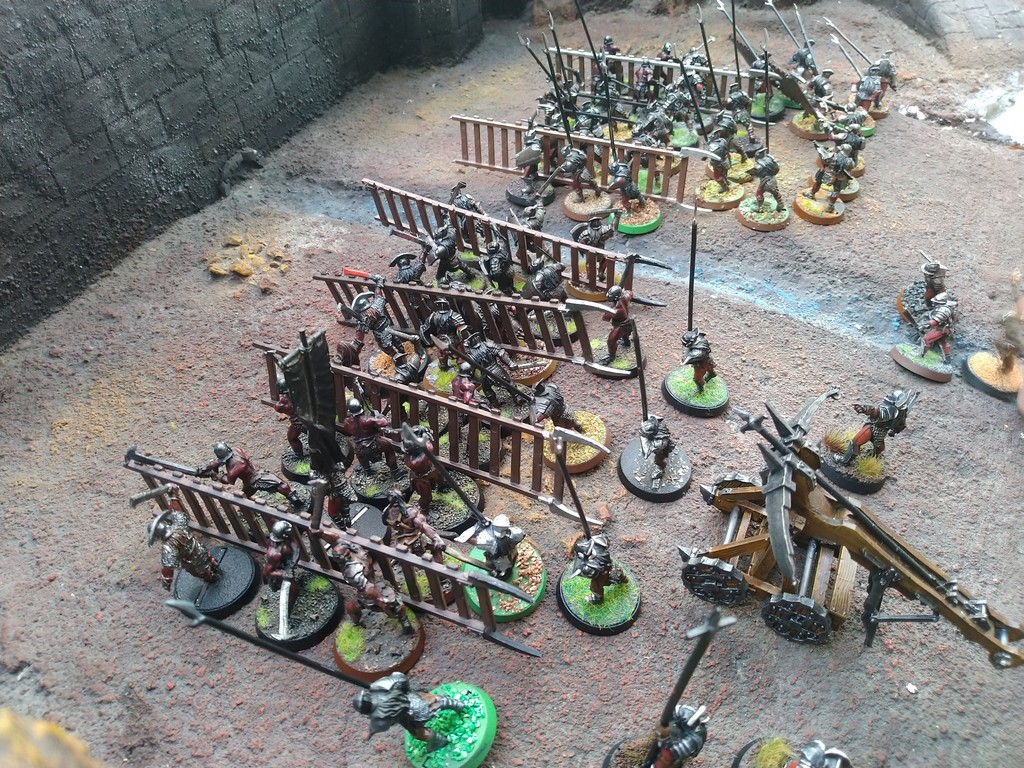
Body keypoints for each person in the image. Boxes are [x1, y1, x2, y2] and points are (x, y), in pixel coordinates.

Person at [311, 526, 412, 633]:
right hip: (369, 594)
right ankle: (356, 623)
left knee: (396, 605)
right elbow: (368, 589)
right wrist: (379, 598)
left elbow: (335, 539)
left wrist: (321, 533)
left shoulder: (352, 550)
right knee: (352, 608)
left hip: (375, 584)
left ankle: (404, 620)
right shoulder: (352, 570)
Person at [353, 671, 466, 753]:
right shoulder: (382, 686)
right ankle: (455, 704)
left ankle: (438, 740)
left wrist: (370, 733)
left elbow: (380, 726)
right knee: (434, 700)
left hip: (410, 717)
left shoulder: (379, 717)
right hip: (414, 699)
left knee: (419, 733)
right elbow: (399, 677)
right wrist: (406, 691)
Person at [147, 491, 218, 590]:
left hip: (192, 561)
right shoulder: (178, 526)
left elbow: (168, 567)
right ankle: (214, 565)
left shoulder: (168, 547)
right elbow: (178, 512)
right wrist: (173, 496)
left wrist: (167, 582)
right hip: (199, 548)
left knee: (203, 572)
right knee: (209, 558)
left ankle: (212, 577)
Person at [202, 442, 305, 509]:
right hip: (249, 481)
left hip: (255, 479)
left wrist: (217, 475)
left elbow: (229, 480)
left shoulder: (236, 466)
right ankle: (251, 510)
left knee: (279, 483)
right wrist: (215, 465)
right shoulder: (235, 450)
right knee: (244, 498)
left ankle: (295, 500)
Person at [839, 389, 918, 466]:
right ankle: (845, 460)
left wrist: (894, 431)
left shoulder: (898, 412)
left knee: (878, 448)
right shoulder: (893, 411)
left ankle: (868, 458)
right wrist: (866, 408)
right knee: (856, 443)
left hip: (879, 431)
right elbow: (877, 412)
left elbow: (900, 424)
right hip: (873, 428)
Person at [456, 514, 525, 580]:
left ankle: (502, 576)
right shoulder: (514, 532)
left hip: (501, 559)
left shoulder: (487, 540)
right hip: (501, 553)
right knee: (499, 562)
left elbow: (472, 540)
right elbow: (522, 535)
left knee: (502, 570)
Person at [381, 487, 446, 557]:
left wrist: (436, 539)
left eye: (397, 498)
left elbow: (423, 526)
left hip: (413, 538)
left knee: (419, 550)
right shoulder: (387, 512)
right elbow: (386, 523)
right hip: (397, 539)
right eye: (393, 498)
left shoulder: (411, 513)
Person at [339, 399, 399, 474]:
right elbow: (384, 422)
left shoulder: (346, 422)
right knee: (388, 447)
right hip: (373, 444)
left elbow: (348, 430)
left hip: (359, 448)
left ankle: (367, 470)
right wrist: (379, 416)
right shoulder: (366, 420)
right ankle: (395, 471)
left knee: (360, 455)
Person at [651, 704, 709, 768]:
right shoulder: (685, 712)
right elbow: (670, 714)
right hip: (675, 733)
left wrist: (663, 739)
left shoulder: (694, 740)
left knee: (667, 758)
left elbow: (669, 755)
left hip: (681, 749)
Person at [570, 534, 623, 604]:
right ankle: (619, 579)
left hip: (604, 571)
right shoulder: (593, 547)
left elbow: (594, 569)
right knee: (616, 575)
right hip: (604, 569)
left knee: (595, 587)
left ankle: (598, 599)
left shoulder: (600, 552)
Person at [419, 297, 467, 370]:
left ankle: (461, 365)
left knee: (460, 357)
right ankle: (444, 365)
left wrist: (463, 340)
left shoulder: (437, 316)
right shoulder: (435, 316)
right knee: (442, 357)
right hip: (442, 340)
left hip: (449, 339)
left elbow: (461, 329)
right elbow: (426, 329)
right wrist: (430, 341)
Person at [637, 415, 675, 487]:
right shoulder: (655, 429)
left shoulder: (660, 440)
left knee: (659, 459)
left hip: (661, 445)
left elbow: (659, 444)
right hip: (660, 444)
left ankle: (659, 471)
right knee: (659, 456)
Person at [917, 292, 957, 359]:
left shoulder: (944, 310)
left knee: (926, 339)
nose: (933, 304)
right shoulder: (944, 308)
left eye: (935, 302)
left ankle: (921, 356)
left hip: (942, 329)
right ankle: (948, 358)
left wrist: (924, 325)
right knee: (943, 343)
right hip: (945, 329)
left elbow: (936, 321)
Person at [600, 285, 634, 365]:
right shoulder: (625, 296)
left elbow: (605, 318)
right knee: (625, 335)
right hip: (627, 323)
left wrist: (608, 311)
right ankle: (626, 342)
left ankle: (611, 356)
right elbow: (630, 293)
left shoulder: (616, 310)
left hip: (621, 326)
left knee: (611, 340)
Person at [272, 380, 306, 458]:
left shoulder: (297, 398)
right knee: (292, 438)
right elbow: (278, 407)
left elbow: (279, 407)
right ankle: (299, 454)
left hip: (306, 422)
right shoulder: (287, 399)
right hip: (296, 422)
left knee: (315, 442)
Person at [680, 328, 718, 393]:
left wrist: (687, 347)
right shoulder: (699, 339)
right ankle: (712, 374)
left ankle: (700, 390)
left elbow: (684, 359)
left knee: (697, 379)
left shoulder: (698, 352)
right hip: (706, 359)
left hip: (701, 365)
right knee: (709, 368)